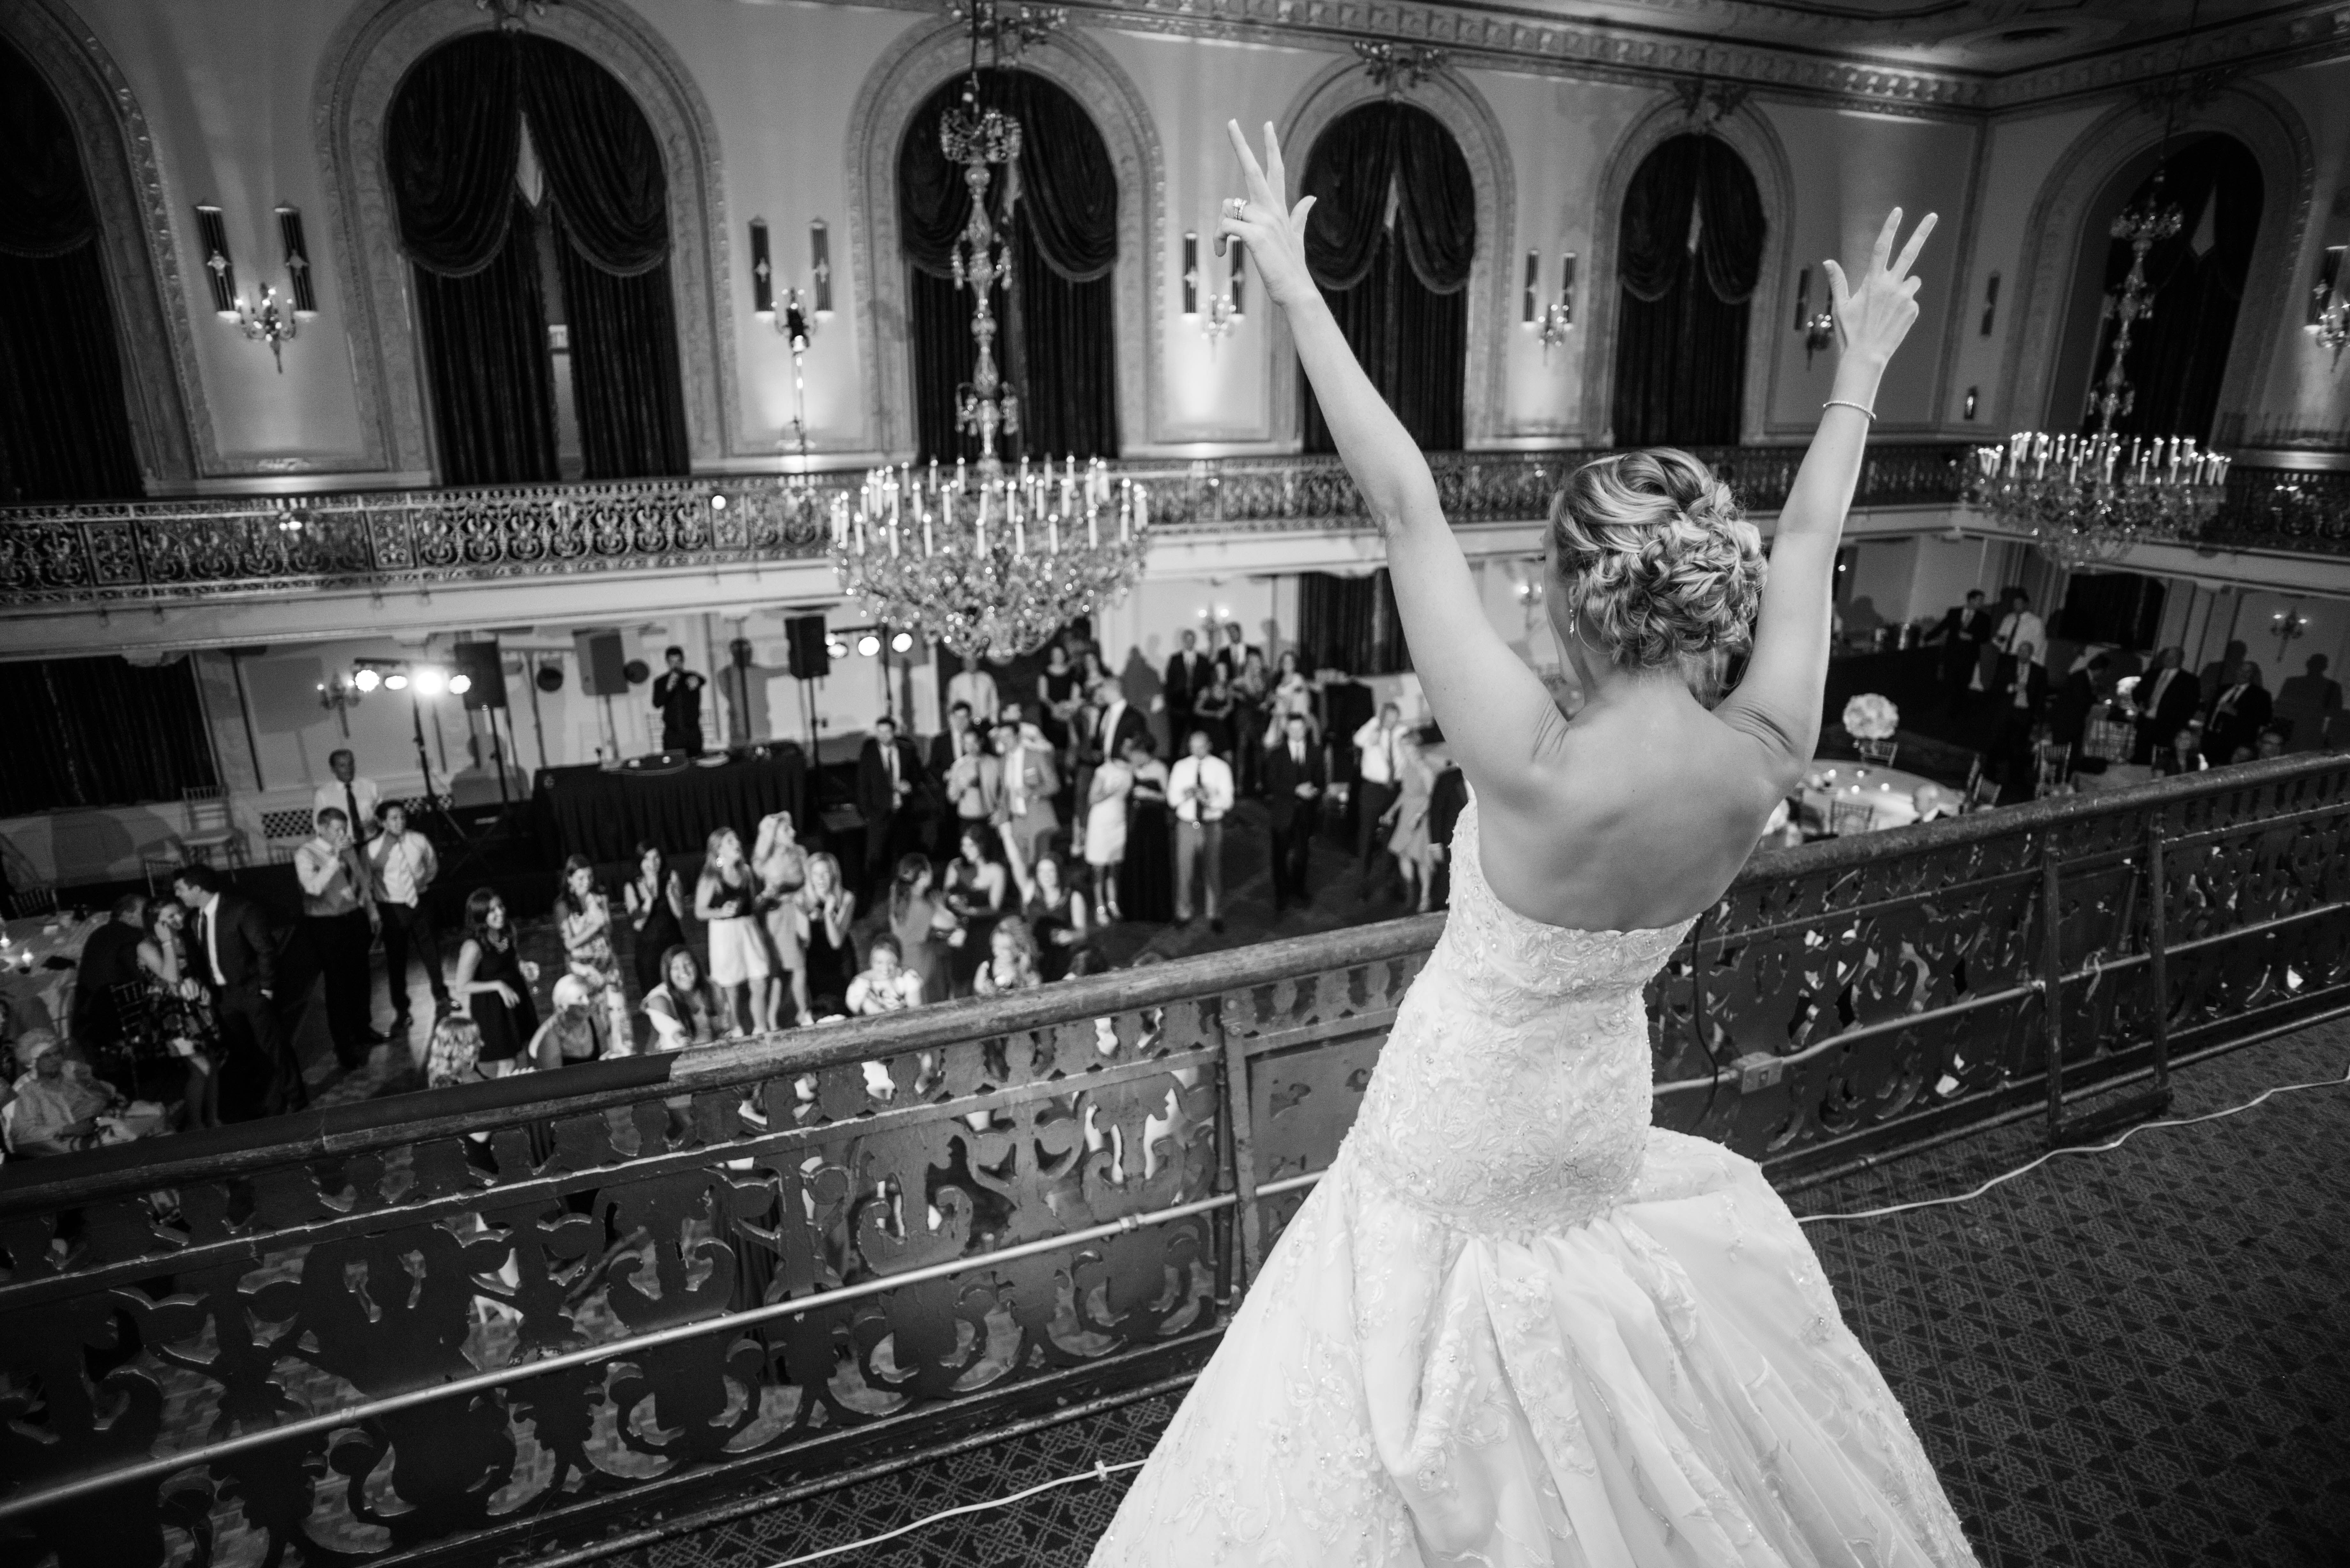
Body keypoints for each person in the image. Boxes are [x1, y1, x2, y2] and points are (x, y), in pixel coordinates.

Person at [1090, 137, 1971, 1564]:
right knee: (1579, 1350)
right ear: (1705, 591)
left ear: (1568, 598)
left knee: (1401, 1366)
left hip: (1462, 1116)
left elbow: (1400, 501)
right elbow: (1813, 532)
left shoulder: (1530, 758)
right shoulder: (1769, 748)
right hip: (1598, 1103)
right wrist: (1860, 362)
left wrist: (1299, 291)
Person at [172, 863, 305, 1121]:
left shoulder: (241, 909)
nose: (179, 895)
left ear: (197, 889)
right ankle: (257, 1104)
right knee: (241, 1052)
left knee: (274, 1048)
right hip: (222, 998)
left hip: (251, 991)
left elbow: (266, 950)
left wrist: (265, 988)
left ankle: (296, 1099)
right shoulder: (193, 919)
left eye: (182, 889)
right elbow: (197, 958)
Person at [296, 805, 379, 1071]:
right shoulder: (306, 853)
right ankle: (345, 1047)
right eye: (337, 829)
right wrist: (334, 858)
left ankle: (363, 1030)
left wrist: (372, 911)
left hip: (353, 917)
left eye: (345, 829)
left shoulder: (347, 848)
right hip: (326, 923)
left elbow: (361, 882)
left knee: (361, 977)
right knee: (338, 986)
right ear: (321, 828)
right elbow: (313, 887)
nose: (343, 833)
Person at [7, 1031, 156, 1157]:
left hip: (106, 1117)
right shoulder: (24, 1091)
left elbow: (102, 1089)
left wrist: (110, 1093)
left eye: (57, 1053)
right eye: (46, 1056)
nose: (56, 1059)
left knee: (155, 1113)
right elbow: (22, 1135)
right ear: (29, 1063)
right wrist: (67, 1130)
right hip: (73, 1140)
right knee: (130, 1140)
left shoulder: (69, 1069)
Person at [368, 800, 446, 1033]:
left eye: (402, 817)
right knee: (397, 959)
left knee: (431, 950)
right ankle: (402, 1010)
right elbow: (368, 878)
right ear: (382, 822)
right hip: (393, 908)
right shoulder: (372, 849)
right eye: (393, 818)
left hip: (420, 901)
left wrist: (422, 883)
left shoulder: (418, 840)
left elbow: (431, 866)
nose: (400, 822)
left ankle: (442, 997)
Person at [452, 887, 539, 1078]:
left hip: (514, 1000)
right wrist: (498, 985)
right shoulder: (473, 946)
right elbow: (462, 985)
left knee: (524, 1053)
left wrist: (524, 966)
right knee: (507, 1063)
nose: (500, 913)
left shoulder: (506, 932)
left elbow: (512, 958)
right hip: (493, 1011)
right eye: (492, 911)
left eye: (500, 906)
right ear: (480, 915)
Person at [695, 827, 774, 1035]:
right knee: (731, 986)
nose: (737, 844)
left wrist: (765, 898)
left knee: (759, 980)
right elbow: (699, 911)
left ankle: (761, 1027)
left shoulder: (746, 872)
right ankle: (736, 1028)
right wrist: (721, 912)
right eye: (730, 841)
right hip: (724, 934)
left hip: (748, 930)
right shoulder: (711, 878)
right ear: (718, 849)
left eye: (736, 839)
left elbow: (753, 906)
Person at [555, 854, 631, 1050]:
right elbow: (569, 944)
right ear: (569, 879)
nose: (587, 883)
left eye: (589, 878)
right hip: (583, 970)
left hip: (607, 964)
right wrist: (593, 927)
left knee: (617, 1015)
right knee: (594, 1018)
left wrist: (598, 909)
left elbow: (608, 931)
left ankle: (623, 1055)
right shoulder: (563, 906)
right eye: (581, 878)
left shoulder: (598, 899)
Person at [1167, 728, 1233, 931]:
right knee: (1184, 870)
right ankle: (1183, 912)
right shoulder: (1181, 767)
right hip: (1187, 824)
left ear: (1209, 745)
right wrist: (1187, 794)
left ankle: (1214, 913)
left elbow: (1228, 802)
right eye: (1193, 747)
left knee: (1212, 870)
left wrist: (1209, 798)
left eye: (1201, 747)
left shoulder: (1221, 768)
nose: (1197, 751)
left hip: (1211, 824)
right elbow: (1172, 799)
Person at [856, 716, 927, 900]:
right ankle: (867, 900)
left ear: (894, 732)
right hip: (879, 815)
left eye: (887, 732)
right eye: (879, 732)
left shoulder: (906, 751)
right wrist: (868, 814)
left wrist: (910, 784)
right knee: (874, 859)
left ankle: (904, 896)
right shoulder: (869, 754)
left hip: (902, 813)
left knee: (903, 856)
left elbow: (919, 776)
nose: (883, 736)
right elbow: (862, 786)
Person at [1262, 710, 1325, 912]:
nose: (1297, 733)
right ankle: (1281, 894)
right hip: (1283, 812)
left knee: (1302, 853)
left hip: (1306, 813)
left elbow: (1321, 779)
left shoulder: (1315, 751)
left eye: (1301, 729)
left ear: (1306, 729)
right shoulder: (1276, 753)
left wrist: (1315, 790)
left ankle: (1299, 888)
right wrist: (1296, 790)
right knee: (1280, 855)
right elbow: (1271, 783)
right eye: (1293, 729)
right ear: (1286, 730)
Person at [997, 720, 1062, 893]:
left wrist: (1033, 791)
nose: (1004, 741)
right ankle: (1030, 902)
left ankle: (1046, 901)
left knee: (1041, 863)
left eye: (1008, 736)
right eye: (1001, 737)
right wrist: (1002, 818)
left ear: (1018, 736)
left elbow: (1054, 785)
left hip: (1038, 818)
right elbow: (1004, 793)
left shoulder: (1036, 756)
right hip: (1017, 819)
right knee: (1022, 864)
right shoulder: (1003, 761)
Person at [1117, 734, 1175, 923]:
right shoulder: (1132, 768)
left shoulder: (1160, 769)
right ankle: (1134, 909)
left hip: (1154, 821)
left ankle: (1156, 911)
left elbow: (1169, 799)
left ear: (1145, 754)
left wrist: (1150, 794)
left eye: (1136, 754)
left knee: (1154, 861)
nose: (1133, 758)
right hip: (1135, 821)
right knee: (1135, 860)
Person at [1351, 701, 1406, 899]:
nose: (1392, 722)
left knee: (1390, 837)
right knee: (1367, 835)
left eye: (1395, 718)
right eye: (1388, 717)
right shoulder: (1372, 732)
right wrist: (1376, 723)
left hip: (1394, 789)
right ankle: (1362, 885)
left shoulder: (1401, 732)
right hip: (1373, 789)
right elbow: (1357, 740)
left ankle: (1386, 880)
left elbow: (1412, 741)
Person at [1380, 727, 1438, 912]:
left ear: (1416, 747)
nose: (1404, 751)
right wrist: (1391, 812)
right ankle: (1411, 892)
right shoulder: (1407, 767)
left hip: (1421, 815)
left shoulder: (1425, 770)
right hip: (1407, 813)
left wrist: (1419, 816)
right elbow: (1405, 793)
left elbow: (1432, 798)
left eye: (1407, 747)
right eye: (1403, 747)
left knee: (1420, 858)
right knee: (1403, 853)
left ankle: (1425, 897)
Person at [794, 852, 858, 1018]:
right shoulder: (802, 899)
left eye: (826, 873)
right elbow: (804, 940)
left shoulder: (847, 899)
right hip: (816, 961)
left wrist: (829, 913)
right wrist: (804, 914)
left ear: (834, 875)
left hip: (842, 962)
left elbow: (836, 942)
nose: (821, 879)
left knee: (846, 1008)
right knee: (822, 1011)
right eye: (816, 874)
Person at [622, 840, 686, 1000]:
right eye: (647, 859)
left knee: (681, 997)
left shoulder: (671, 877)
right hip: (649, 954)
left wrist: (672, 895)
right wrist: (650, 899)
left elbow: (679, 914)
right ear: (640, 862)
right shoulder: (631, 886)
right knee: (656, 1001)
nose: (652, 863)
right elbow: (638, 924)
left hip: (673, 946)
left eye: (656, 858)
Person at [888, 854, 954, 1004]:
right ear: (924, 875)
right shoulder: (922, 905)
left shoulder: (898, 901)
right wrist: (941, 907)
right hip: (923, 972)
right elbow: (950, 924)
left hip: (903, 967)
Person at [1083, 736, 1133, 922]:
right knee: (1099, 866)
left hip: (1119, 820)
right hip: (1101, 822)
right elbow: (1092, 798)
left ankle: (1113, 903)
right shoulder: (1104, 770)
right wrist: (1110, 791)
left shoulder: (1130, 770)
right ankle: (1100, 906)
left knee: (1114, 865)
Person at [643, 945, 727, 1049]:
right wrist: (686, 1044)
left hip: (713, 1050)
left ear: (697, 966)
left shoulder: (712, 987)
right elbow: (675, 1033)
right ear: (668, 973)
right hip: (676, 1055)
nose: (684, 972)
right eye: (675, 968)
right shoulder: (659, 998)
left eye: (688, 964)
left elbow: (723, 1025)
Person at [1023, 855, 1091, 980]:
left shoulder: (1074, 897)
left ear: (1060, 872)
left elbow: (1083, 933)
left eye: (1051, 871)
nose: (1046, 875)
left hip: (1061, 958)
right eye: (1041, 871)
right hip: (1036, 957)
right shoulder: (1030, 892)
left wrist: (1070, 936)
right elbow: (1017, 863)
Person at [2133, 645, 2200, 764]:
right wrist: (2141, 703)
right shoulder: (2152, 674)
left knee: (2160, 761)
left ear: (2180, 660)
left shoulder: (2189, 681)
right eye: (2167, 657)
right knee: (2140, 757)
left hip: (2168, 727)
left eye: (2173, 657)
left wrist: (2177, 726)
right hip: (2146, 722)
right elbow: (2138, 692)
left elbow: (2190, 707)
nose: (2169, 660)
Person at [529, 974, 610, 1070]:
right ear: (563, 1004)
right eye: (580, 998)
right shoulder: (550, 1036)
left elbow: (605, 1060)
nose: (587, 1002)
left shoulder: (594, 1021)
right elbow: (553, 1079)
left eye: (589, 996)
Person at [2204, 660, 2272, 765]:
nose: (2244, 674)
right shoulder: (2224, 689)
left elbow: (2263, 720)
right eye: (2241, 670)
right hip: (2211, 737)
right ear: (2237, 671)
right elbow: (2211, 712)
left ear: (2253, 675)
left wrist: (2237, 714)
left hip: (2234, 744)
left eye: (2248, 672)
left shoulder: (2260, 695)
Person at [2047, 651, 2111, 761]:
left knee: (2067, 754)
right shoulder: (2080, 679)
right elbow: (2081, 699)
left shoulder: (2082, 676)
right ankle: (2058, 776)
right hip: (2066, 723)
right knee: (2061, 754)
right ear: (2100, 670)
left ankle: (2063, 775)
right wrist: (2098, 699)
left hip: (2070, 722)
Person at [312, 749, 382, 850]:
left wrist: (375, 822)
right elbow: (319, 827)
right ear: (333, 769)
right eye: (342, 766)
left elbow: (382, 814)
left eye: (351, 764)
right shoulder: (323, 795)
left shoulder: (370, 786)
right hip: (344, 848)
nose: (349, 769)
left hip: (372, 843)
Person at [845, 933, 924, 1015]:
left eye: (891, 963)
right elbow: (854, 1010)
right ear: (872, 961)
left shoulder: (908, 977)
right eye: (879, 963)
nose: (885, 969)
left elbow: (915, 1011)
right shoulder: (860, 983)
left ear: (898, 961)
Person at [651, 645, 707, 756]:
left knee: (696, 765)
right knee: (674, 765)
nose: (676, 665)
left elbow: (703, 680)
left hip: (692, 732)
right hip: (672, 734)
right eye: (672, 662)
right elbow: (657, 704)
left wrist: (698, 681)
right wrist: (668, 689)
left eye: (678, 661)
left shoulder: (690, 677)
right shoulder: (661, 682)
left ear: (683, 661)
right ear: (667, 662)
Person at [971, 916, 1043, 996]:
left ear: (1019, 949)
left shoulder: (1030, 975)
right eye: (995, 946)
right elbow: (976, 997)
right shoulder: (986, 968)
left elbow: (1034, 1000)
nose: (997, 952)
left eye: (1004, 949)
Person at [1164, 629, 1211, 747]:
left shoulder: (1203, 660)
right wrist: (1171, 702)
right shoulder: (1175, 659)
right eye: (1187, 640)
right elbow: (1170, 682)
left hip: (1197, 703)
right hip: (1178, 703)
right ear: (1183, 641)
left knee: (1197, 735)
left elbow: (1207, 681)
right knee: (1177, 738)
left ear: (1195, 641)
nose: (1190, 642)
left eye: (1192, 640)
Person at [1038, 644, 1083, 750]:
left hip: (1069, 710)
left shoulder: (1072, 673)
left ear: (1064, 655)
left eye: (1060, 654)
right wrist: (1055, 707)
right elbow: (1043, 697)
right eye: (1055, 655)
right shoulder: (1045, 674)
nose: (1058, 657)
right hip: (1050, 711)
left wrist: (1067, 707)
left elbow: (1075, 693)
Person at [1191, 665, 1237, 756]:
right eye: (1222, 672)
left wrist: (1225, 711)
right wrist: (1215, 714)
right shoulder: (1206, 691)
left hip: (1223, 727)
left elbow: (1231, 705)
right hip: (1209, 727)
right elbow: (1197, 710)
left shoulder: (1227, 689)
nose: (1225, 674)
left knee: (1228, 754)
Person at [2277, 653, 2342, 713]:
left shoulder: (2292, 682)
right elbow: (2281, 704)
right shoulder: (2292, 682)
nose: (2316, 668)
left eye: (2318, 665)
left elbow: (2336, 711)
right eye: (2315, 664)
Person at [2197, 637, 2248, 710]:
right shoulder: (2213, 668)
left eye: (2239, 652)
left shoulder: (2247, 675)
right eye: (2233, 651)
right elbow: (2201, 689)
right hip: (2209, 707)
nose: (2235, 655)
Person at [946, 659, 1002, 727]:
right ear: (963, 664)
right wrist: (954, 725)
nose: (971, 664)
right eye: (968, 662)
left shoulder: (987, 678)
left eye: (973, 662)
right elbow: (952, 704)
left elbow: (994, 700)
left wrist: (994, 720)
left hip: (986, 721)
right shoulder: (956, 681)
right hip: (966, 723)